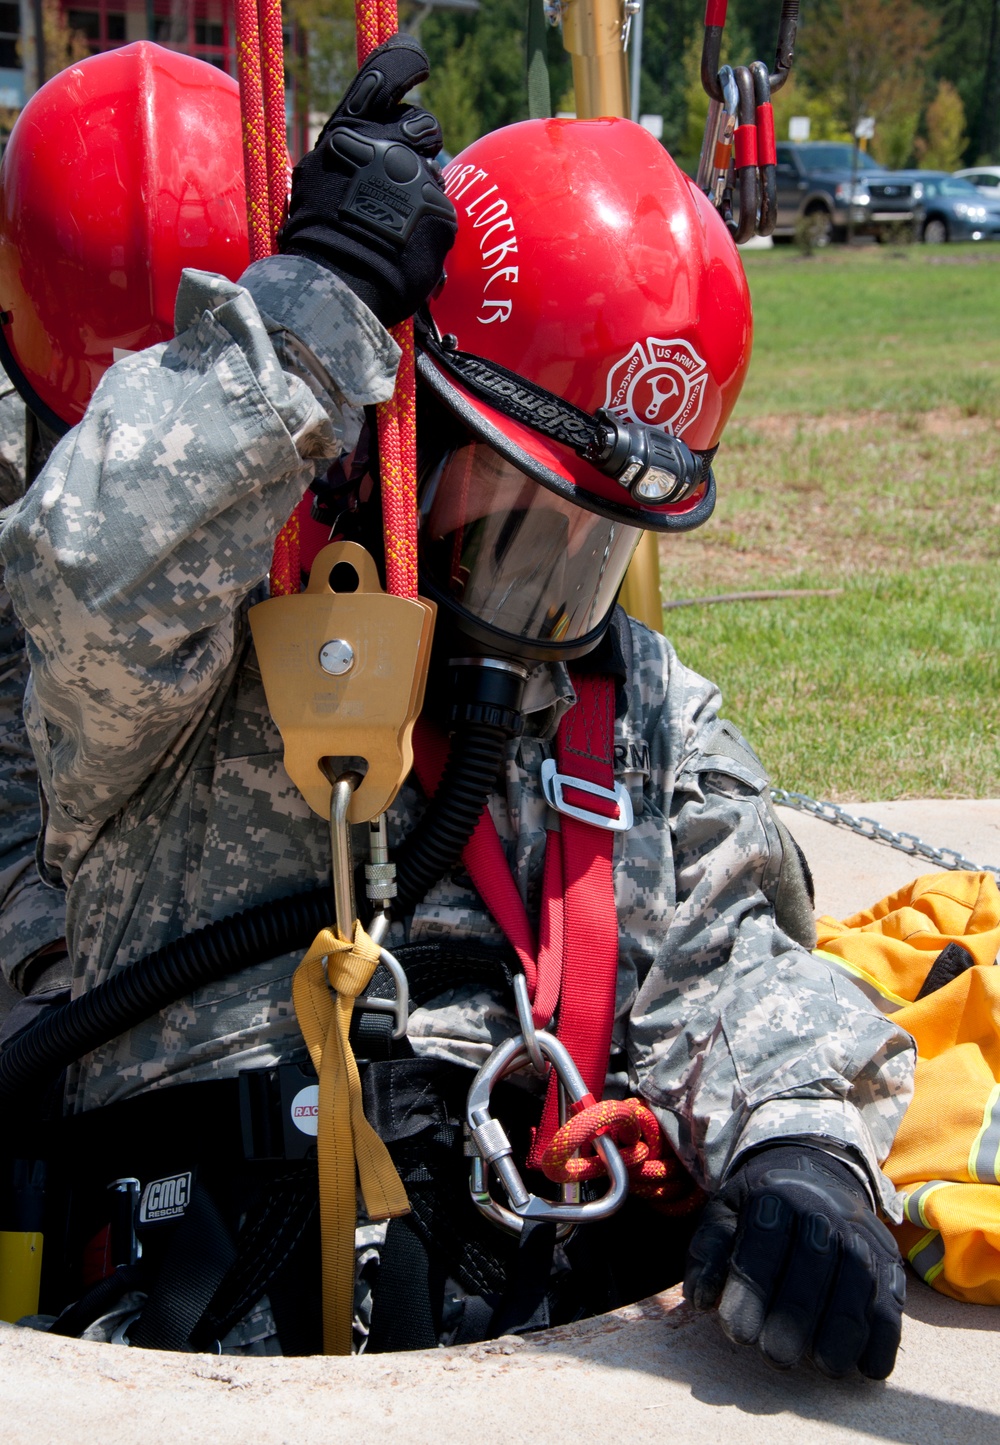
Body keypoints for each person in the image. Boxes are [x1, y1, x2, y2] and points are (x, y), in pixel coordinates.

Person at [0, 37, 915, 1373]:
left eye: (589, 550)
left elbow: (736, 969)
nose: (541, 598)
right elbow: (81, 574)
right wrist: (310, 316)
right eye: (509, 519)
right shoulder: (189, 670)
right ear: (410, 420)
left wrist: (808, 1150)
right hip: (184, 1372)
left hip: (513, 1361)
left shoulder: (638, 716)